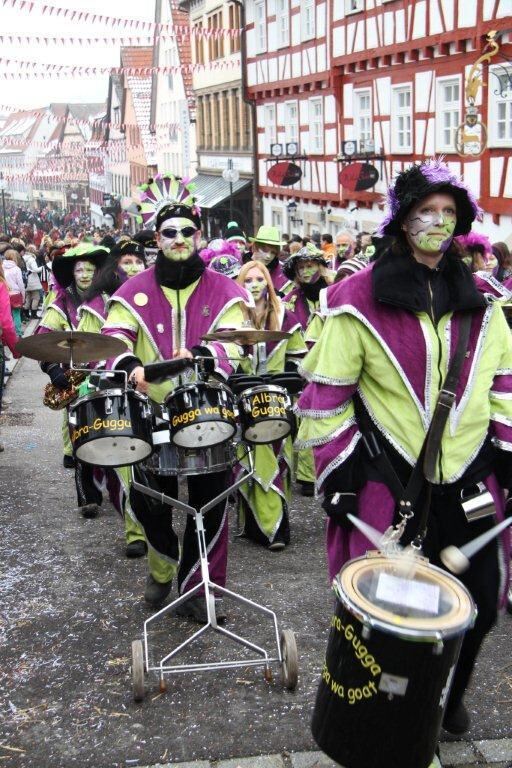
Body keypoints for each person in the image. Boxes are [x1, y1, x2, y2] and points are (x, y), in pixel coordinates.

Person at [296, 158, 512, 738]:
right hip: (390, 484)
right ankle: (392, 726)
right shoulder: (356, 299)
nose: (437, 223)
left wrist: (510, 453)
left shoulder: (486, 303)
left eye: (448, 213)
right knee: (392, 618)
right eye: (425, 212)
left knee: (483, 603)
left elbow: (504, 386)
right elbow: (325, 397)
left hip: (470, 479)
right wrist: (336, 472)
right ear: (402, 220)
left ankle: (449, 693)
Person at [101, 173, 252, 620]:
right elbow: (112, 338)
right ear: (157, 237)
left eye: (188, 231)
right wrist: (129, 368)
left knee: (211, 506)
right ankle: (162, 565)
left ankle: (201, 591)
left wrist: (209, 354)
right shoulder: (133, 290)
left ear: (200, 234)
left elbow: (239, 343)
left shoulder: (226, 290)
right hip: (152, 415)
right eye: (170, 232)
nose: (180, 238)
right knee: (151, 503)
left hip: (209, 412)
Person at [77, 240, 147, 553]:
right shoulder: (96, 303)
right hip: (112, 393)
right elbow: (85, 348)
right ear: (115, 266)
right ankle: (136, 533)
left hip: (149, 390)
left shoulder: (155, 297)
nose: (132, 267)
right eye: (126, 261)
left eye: (137, 261)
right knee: (126, 465)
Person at [235, 260, 307, 549]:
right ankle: (262, 525)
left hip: (278, 399)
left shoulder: (284, 316)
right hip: (243, 400)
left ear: (268, 282)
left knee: (278, 456)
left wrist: (289, 378)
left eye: (260, 279)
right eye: (248, 280)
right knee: (248, 458)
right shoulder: (233, 317)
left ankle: (275, 523)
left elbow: (299, 358)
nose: (254, 284)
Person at [37, 243, 109, 471]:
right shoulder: (60, 303)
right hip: (72, 374)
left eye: (89, 270)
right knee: (72, 415)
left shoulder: (108, 300)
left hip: (104, 371)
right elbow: (42, 340)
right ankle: (71, 452)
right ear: (72, 273)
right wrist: (52, 368)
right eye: (79, 270)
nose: (85, 275)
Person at [249, 226, 293, 296]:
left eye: (273, 252)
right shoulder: (241, 267)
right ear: (255, 248)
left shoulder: (284, 272)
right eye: (265, 250)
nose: (268, 256)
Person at [2, 249, 25, 337]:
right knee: (16, 314)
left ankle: (7, 334)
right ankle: (18, 333)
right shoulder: (16, 269)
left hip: (4, 293)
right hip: (15, 293)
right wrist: (23, 296)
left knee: (7, 315)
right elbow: (20, 284)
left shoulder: (2, 267)